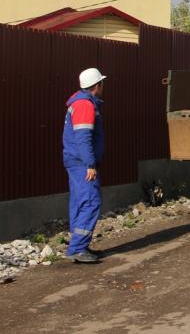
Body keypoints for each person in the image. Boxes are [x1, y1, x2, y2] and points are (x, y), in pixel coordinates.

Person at [62, 68, 106, 263]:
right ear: (97, 86)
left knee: (80, 202)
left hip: (76, 161)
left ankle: (79, 246)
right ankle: (78, 248)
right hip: (82, 163)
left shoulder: (79, 103)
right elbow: (83, 138)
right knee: (90, 201)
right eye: (102, 84)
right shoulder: (85, 106)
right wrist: (90, 164)